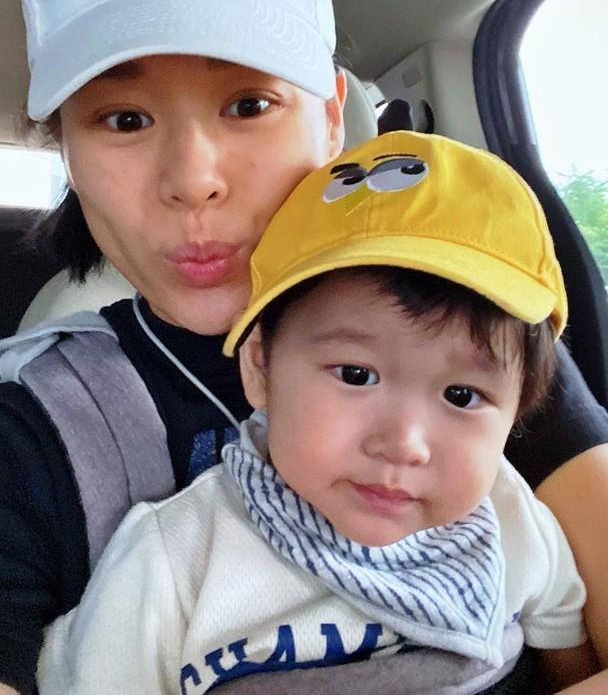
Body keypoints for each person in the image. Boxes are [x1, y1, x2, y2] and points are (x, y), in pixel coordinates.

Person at [0, 0, 607, 693]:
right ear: (66, 151)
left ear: (329, 118)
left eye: (249, 105)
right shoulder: (33, 433)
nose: (193, 180)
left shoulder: (477, 332)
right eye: (123, 119)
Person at [37, 132, 600, 694]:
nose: (404, 443)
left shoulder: (511, 519)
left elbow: (567, 663)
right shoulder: (173, 561)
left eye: (461, 396)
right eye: (356, 375)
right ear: (260, 367)